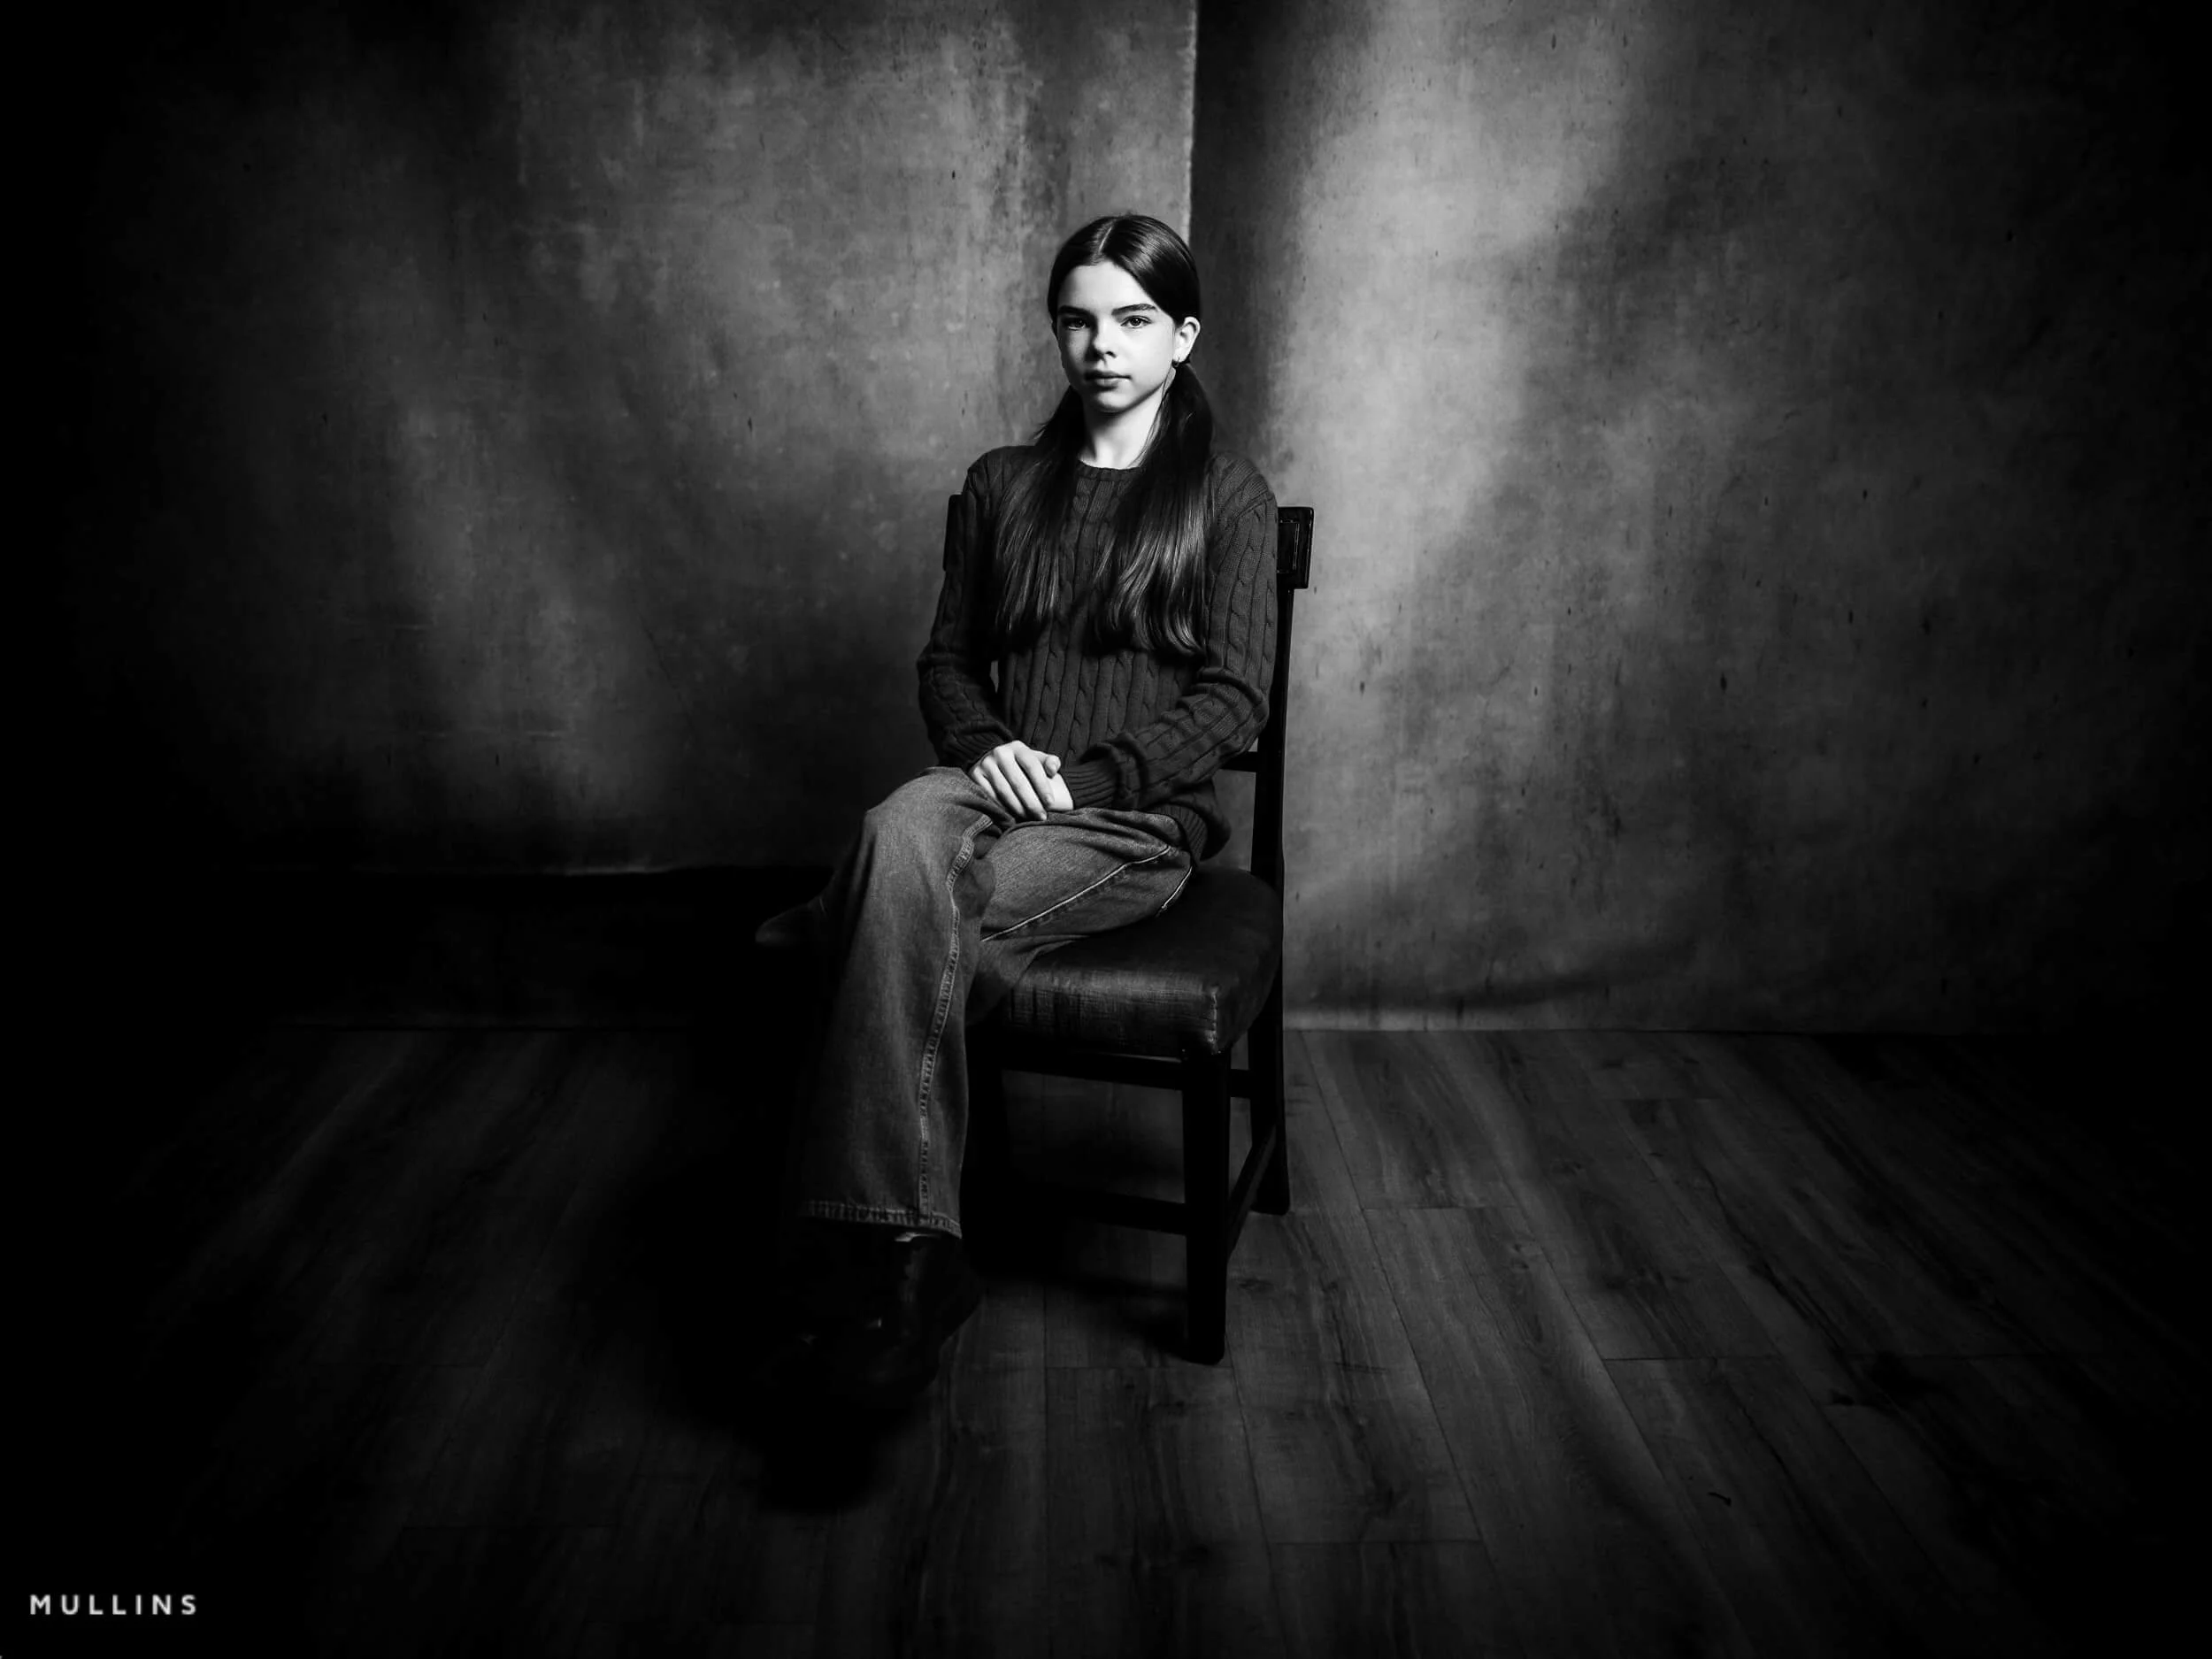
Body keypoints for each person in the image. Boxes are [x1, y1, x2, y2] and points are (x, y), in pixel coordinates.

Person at [755, 213, 1278, 1406]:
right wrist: (991, 752)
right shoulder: (1003, 485)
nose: (1103, 345)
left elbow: (1235, 697)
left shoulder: (1228, 499)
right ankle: (914, 1252)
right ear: (1055, 331)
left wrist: (1084, 782)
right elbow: (947, 663)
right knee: (897, 829)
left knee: (887, 919)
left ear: (1183, 335)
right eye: (1077, 321)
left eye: (1133, 320)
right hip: (992, 786)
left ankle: (857, 1261)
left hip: (1128, 823)